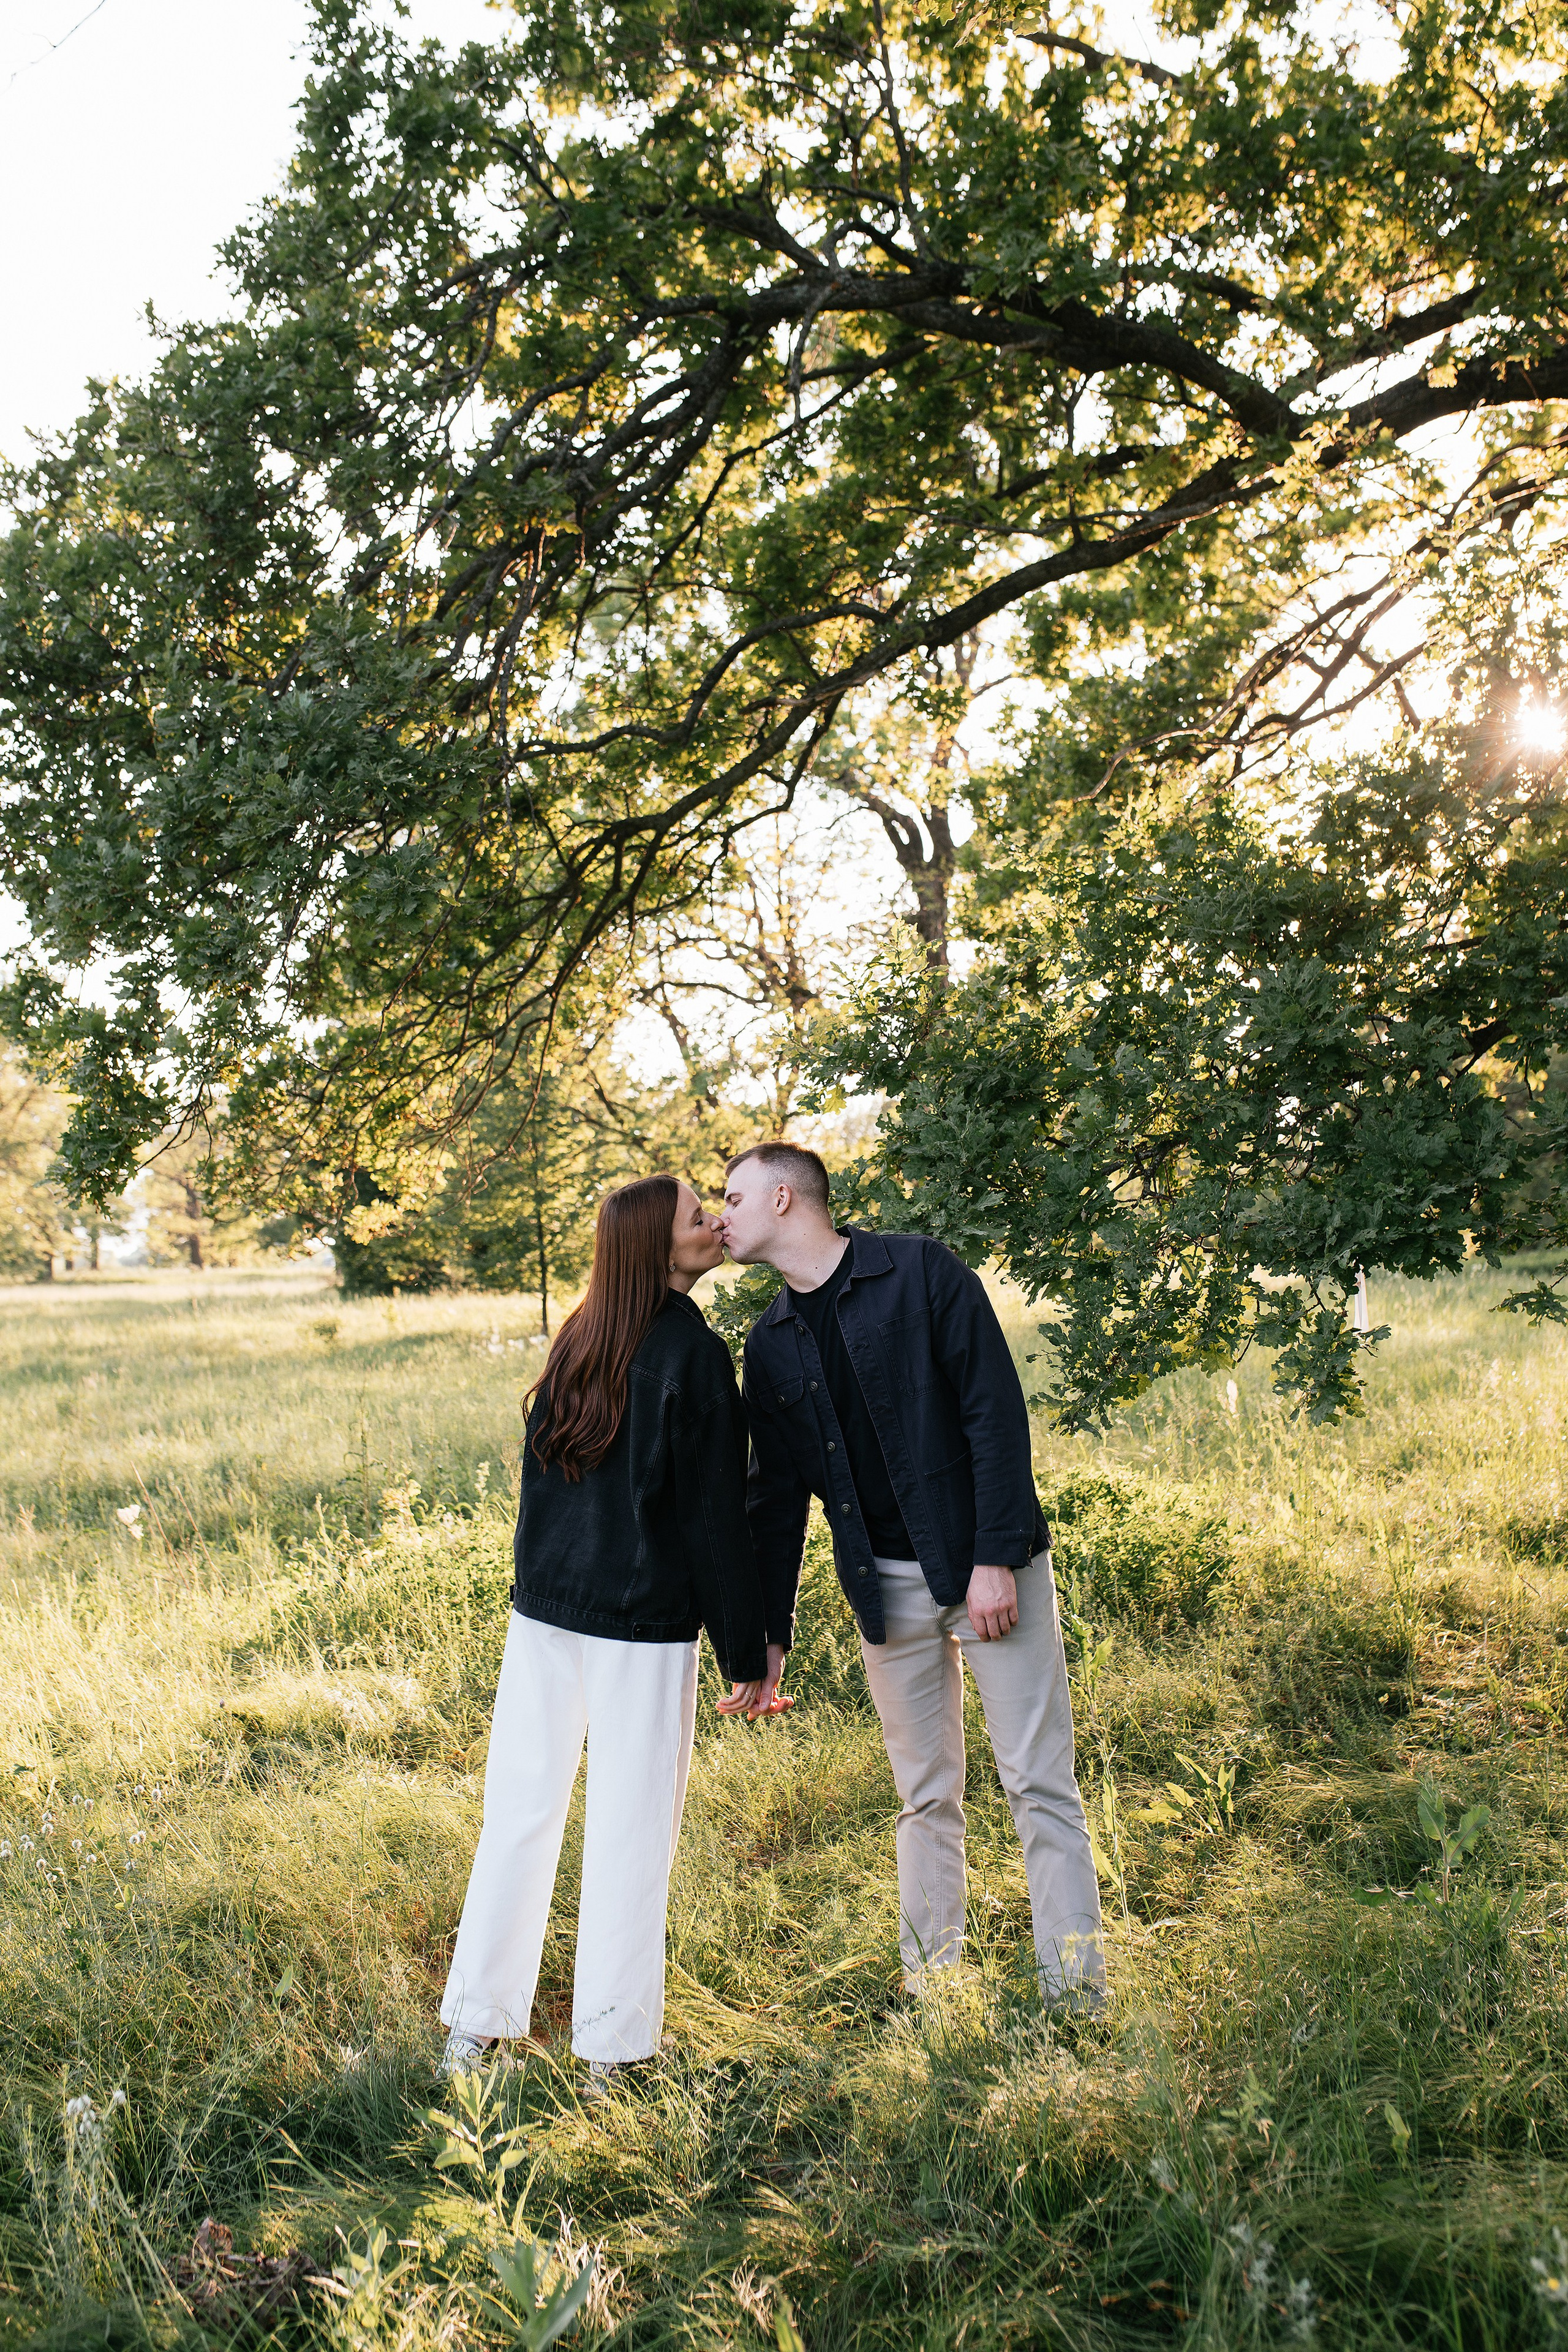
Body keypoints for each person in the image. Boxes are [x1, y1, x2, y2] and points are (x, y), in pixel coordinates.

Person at [722, 1142, 1105, 2003]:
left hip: (985, 1571)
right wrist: (769, 1638)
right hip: (883, 1591)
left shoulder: (922, 1271)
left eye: (734, 1196)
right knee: (924, 1796)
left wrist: (995, 1559)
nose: (722, 1215)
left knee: (1038, 1783)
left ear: (785, 1199)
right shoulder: (770, 1343)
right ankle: (936, 1994)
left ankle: (1077, 1994)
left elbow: (993, 1416)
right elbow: (776, 1505)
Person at [440, 1174, 784, 2080]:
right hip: (640, 1629)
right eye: (694, 1217)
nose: (713, 1223)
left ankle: (472, 2034)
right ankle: (613, 2051)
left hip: (544, 1619)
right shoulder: (696, 1360)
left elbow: (538, 1497)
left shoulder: (578, 1339)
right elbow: (717, 1522)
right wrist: (749, 1653)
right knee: (630, 1831)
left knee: (519, 1815)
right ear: (654, 1247)